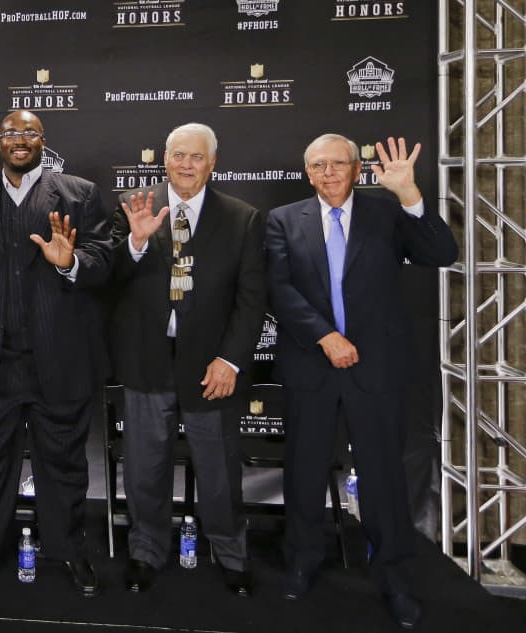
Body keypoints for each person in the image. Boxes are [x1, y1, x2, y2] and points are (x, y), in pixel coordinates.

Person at [267, 134, 457, 629]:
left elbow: (442, 253)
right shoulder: (283, 220)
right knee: (304, 474)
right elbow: (279, 290)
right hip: (312, 367)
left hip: (377, 369)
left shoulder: (387, 213)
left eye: (337, 164)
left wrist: (410, 196)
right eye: (317, 166)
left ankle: (393, 576)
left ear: (356, 170)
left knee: (384, 478)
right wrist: (325, 336)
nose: (327, 173)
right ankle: (302, 560)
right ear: (307, 173)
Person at [0, 110, 113, 597]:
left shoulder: (80, 195)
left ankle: (69, 550)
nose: (19, 141)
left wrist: (71, 263)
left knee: (63, 463)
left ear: (44, 140)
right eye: (10, 134)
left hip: (59, 359)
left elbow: (105, 262)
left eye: (29, 133)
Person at [109, 123, 266, 596]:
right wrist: (135, 243)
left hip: (211, 367)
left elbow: (252, 299)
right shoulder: (135, 206)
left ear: (213, 163)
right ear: (164, 159)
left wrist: (231, 361)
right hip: (146, 360)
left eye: (196, 157)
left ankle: (231, 554)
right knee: (144, 467)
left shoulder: (242, 218)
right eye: (178, 155)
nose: (185, 165)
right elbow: (107, 276)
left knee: (219, 471)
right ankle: (146, 551)